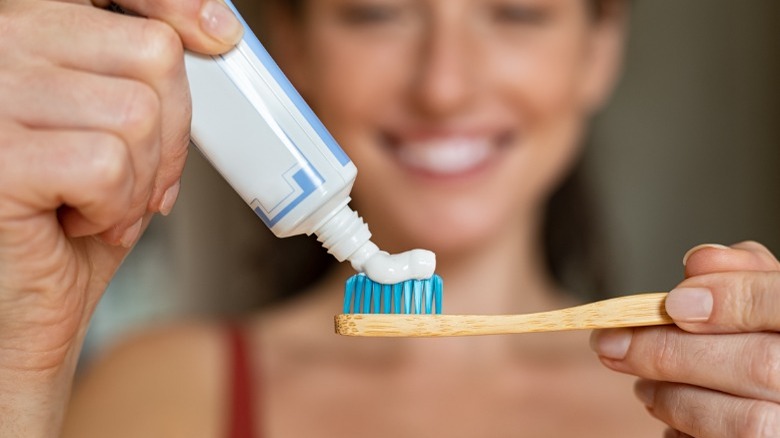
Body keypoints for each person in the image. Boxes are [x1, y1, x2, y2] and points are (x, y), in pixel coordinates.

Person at [0, 0, 777, 437]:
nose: (443, 86)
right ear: (291, 49)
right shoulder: (160, 391)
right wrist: (18, 354)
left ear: (599, 50)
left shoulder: (715, 407)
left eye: (516, 13)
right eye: (377, 13)